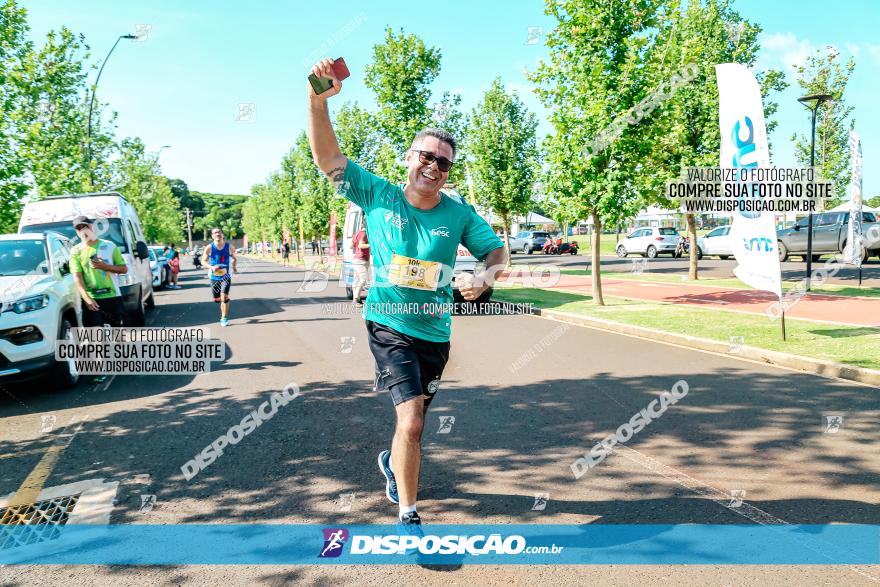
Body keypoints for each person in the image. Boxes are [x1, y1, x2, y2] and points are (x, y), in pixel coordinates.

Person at [307, 57, 507, 535]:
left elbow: (497, 252)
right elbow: (328, 160)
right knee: (414, 422)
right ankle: (409, 515)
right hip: (388, 324)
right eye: (425, 156)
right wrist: (316, 101)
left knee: (410, 425)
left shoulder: (458, 214)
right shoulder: (377, 195)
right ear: (409, 158)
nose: (432, 166)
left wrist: (488, 278)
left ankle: (393, 462)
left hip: (435, 334)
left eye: (443, 161)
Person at [69, 215, 128, 327]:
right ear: (76, 232)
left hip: (112, 297)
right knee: (95, 340)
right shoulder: (75, 251)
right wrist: (87, 298)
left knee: (118, 338)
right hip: (92, 299)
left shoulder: (109, 246)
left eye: (85, 227)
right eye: (79, 228)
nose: (83, 231)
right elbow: (77, 277)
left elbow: (124, 269)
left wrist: (105, 266)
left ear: (92, 227)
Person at [201, 227, 237, 326]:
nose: (217, 234)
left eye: (219, 232)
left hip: (226, 275)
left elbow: (234, 258)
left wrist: (234, 267)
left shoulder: (230, 247)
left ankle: (224, 318)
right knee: (217, 299)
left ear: (222, 235)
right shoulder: (209, 247)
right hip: (214, 276)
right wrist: (211, 267)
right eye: (215, 233)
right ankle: (220, 299)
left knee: (224, 297)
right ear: (212, 236)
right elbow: (203, 261)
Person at [351, 227, 369, 304]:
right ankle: (355, 298)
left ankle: (356, 298)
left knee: (356, 279)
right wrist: (371, 245)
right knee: (363, 279)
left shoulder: (356, 234)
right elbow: (360, 246)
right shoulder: (364, 234)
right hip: (361, 259)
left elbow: (350, 246)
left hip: (356, 259)